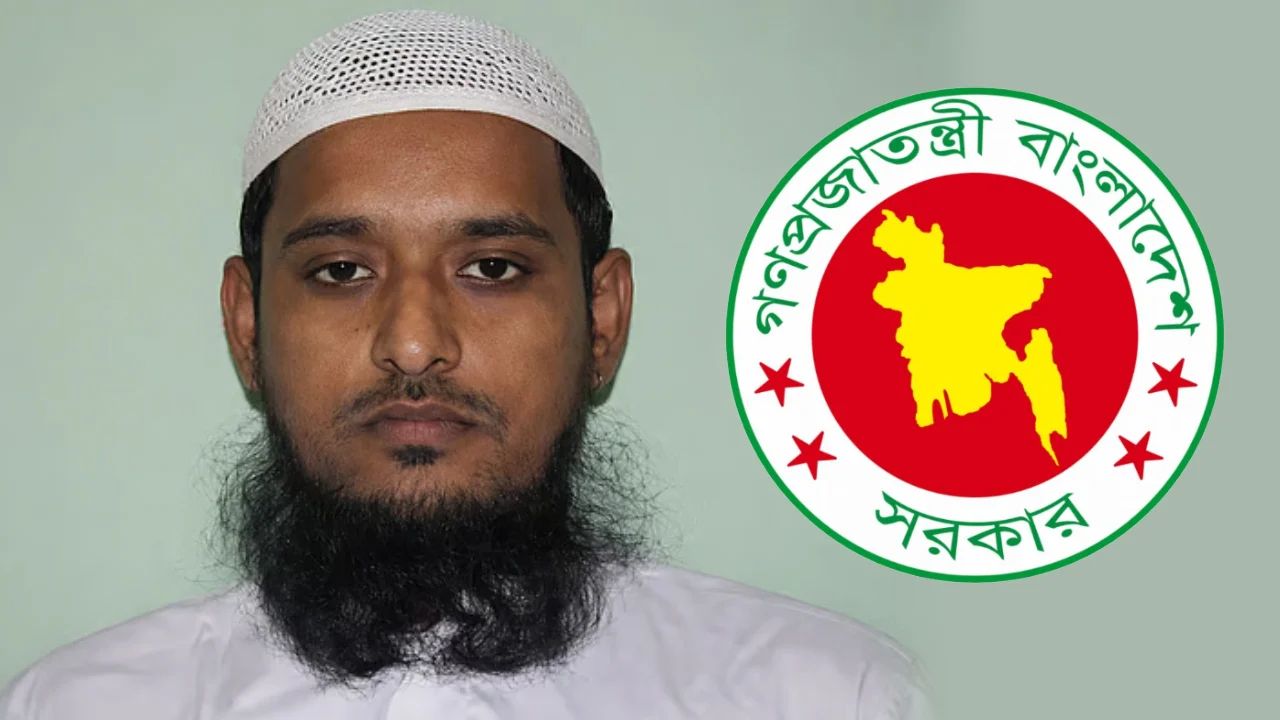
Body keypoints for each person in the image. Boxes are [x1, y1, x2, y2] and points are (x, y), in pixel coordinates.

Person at [0, 10, 930, 718]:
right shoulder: (74, 705)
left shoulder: (824, 695)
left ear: (603, 318)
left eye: (492, 269)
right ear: (247, 325)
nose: (413, 344)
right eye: (341, 271)